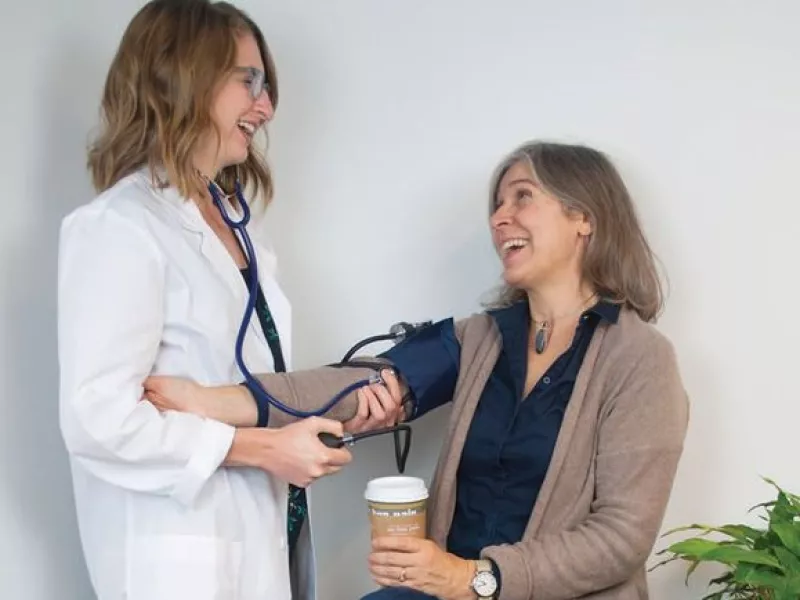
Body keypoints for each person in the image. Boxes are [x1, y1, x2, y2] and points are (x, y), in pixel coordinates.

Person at [143, 140, 690, 599]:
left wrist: (472, 578)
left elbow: (621, 538)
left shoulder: (639, 358)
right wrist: (215, 400)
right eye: (497, 205)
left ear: (584, 219)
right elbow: (353, 384)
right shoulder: (480, 338)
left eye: (523, 197)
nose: (500, 219)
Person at [57, 2, 399, 599]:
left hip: (258, 539)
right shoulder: (117, 227)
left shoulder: (242, 233)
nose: (266, 108)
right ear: (183, 75)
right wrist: (264, 449)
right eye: (250, 81)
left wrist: (336, 416)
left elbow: (248, 387)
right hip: (176, 558)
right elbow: (99, 422)